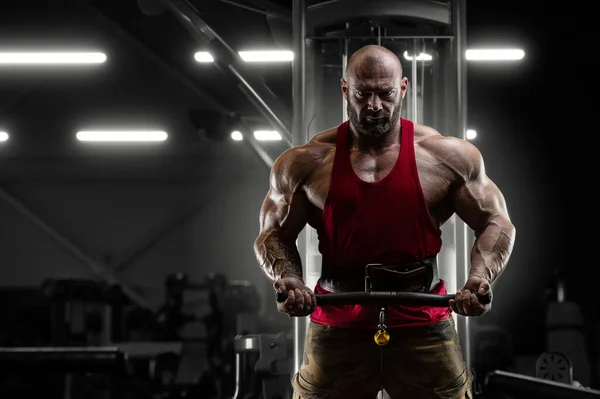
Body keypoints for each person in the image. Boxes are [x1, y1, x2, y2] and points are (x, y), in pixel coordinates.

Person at [253, 44, 516, 399]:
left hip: (422, 318)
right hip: (337, 320)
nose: (375, 105)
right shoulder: (305, 163)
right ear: (346, 89)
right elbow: (273, 234)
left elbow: (495, 220)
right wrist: (288, 279)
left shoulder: (447, 156)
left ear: (403, 88)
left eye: (386, 93)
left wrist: (479, 279)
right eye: (363, 93)